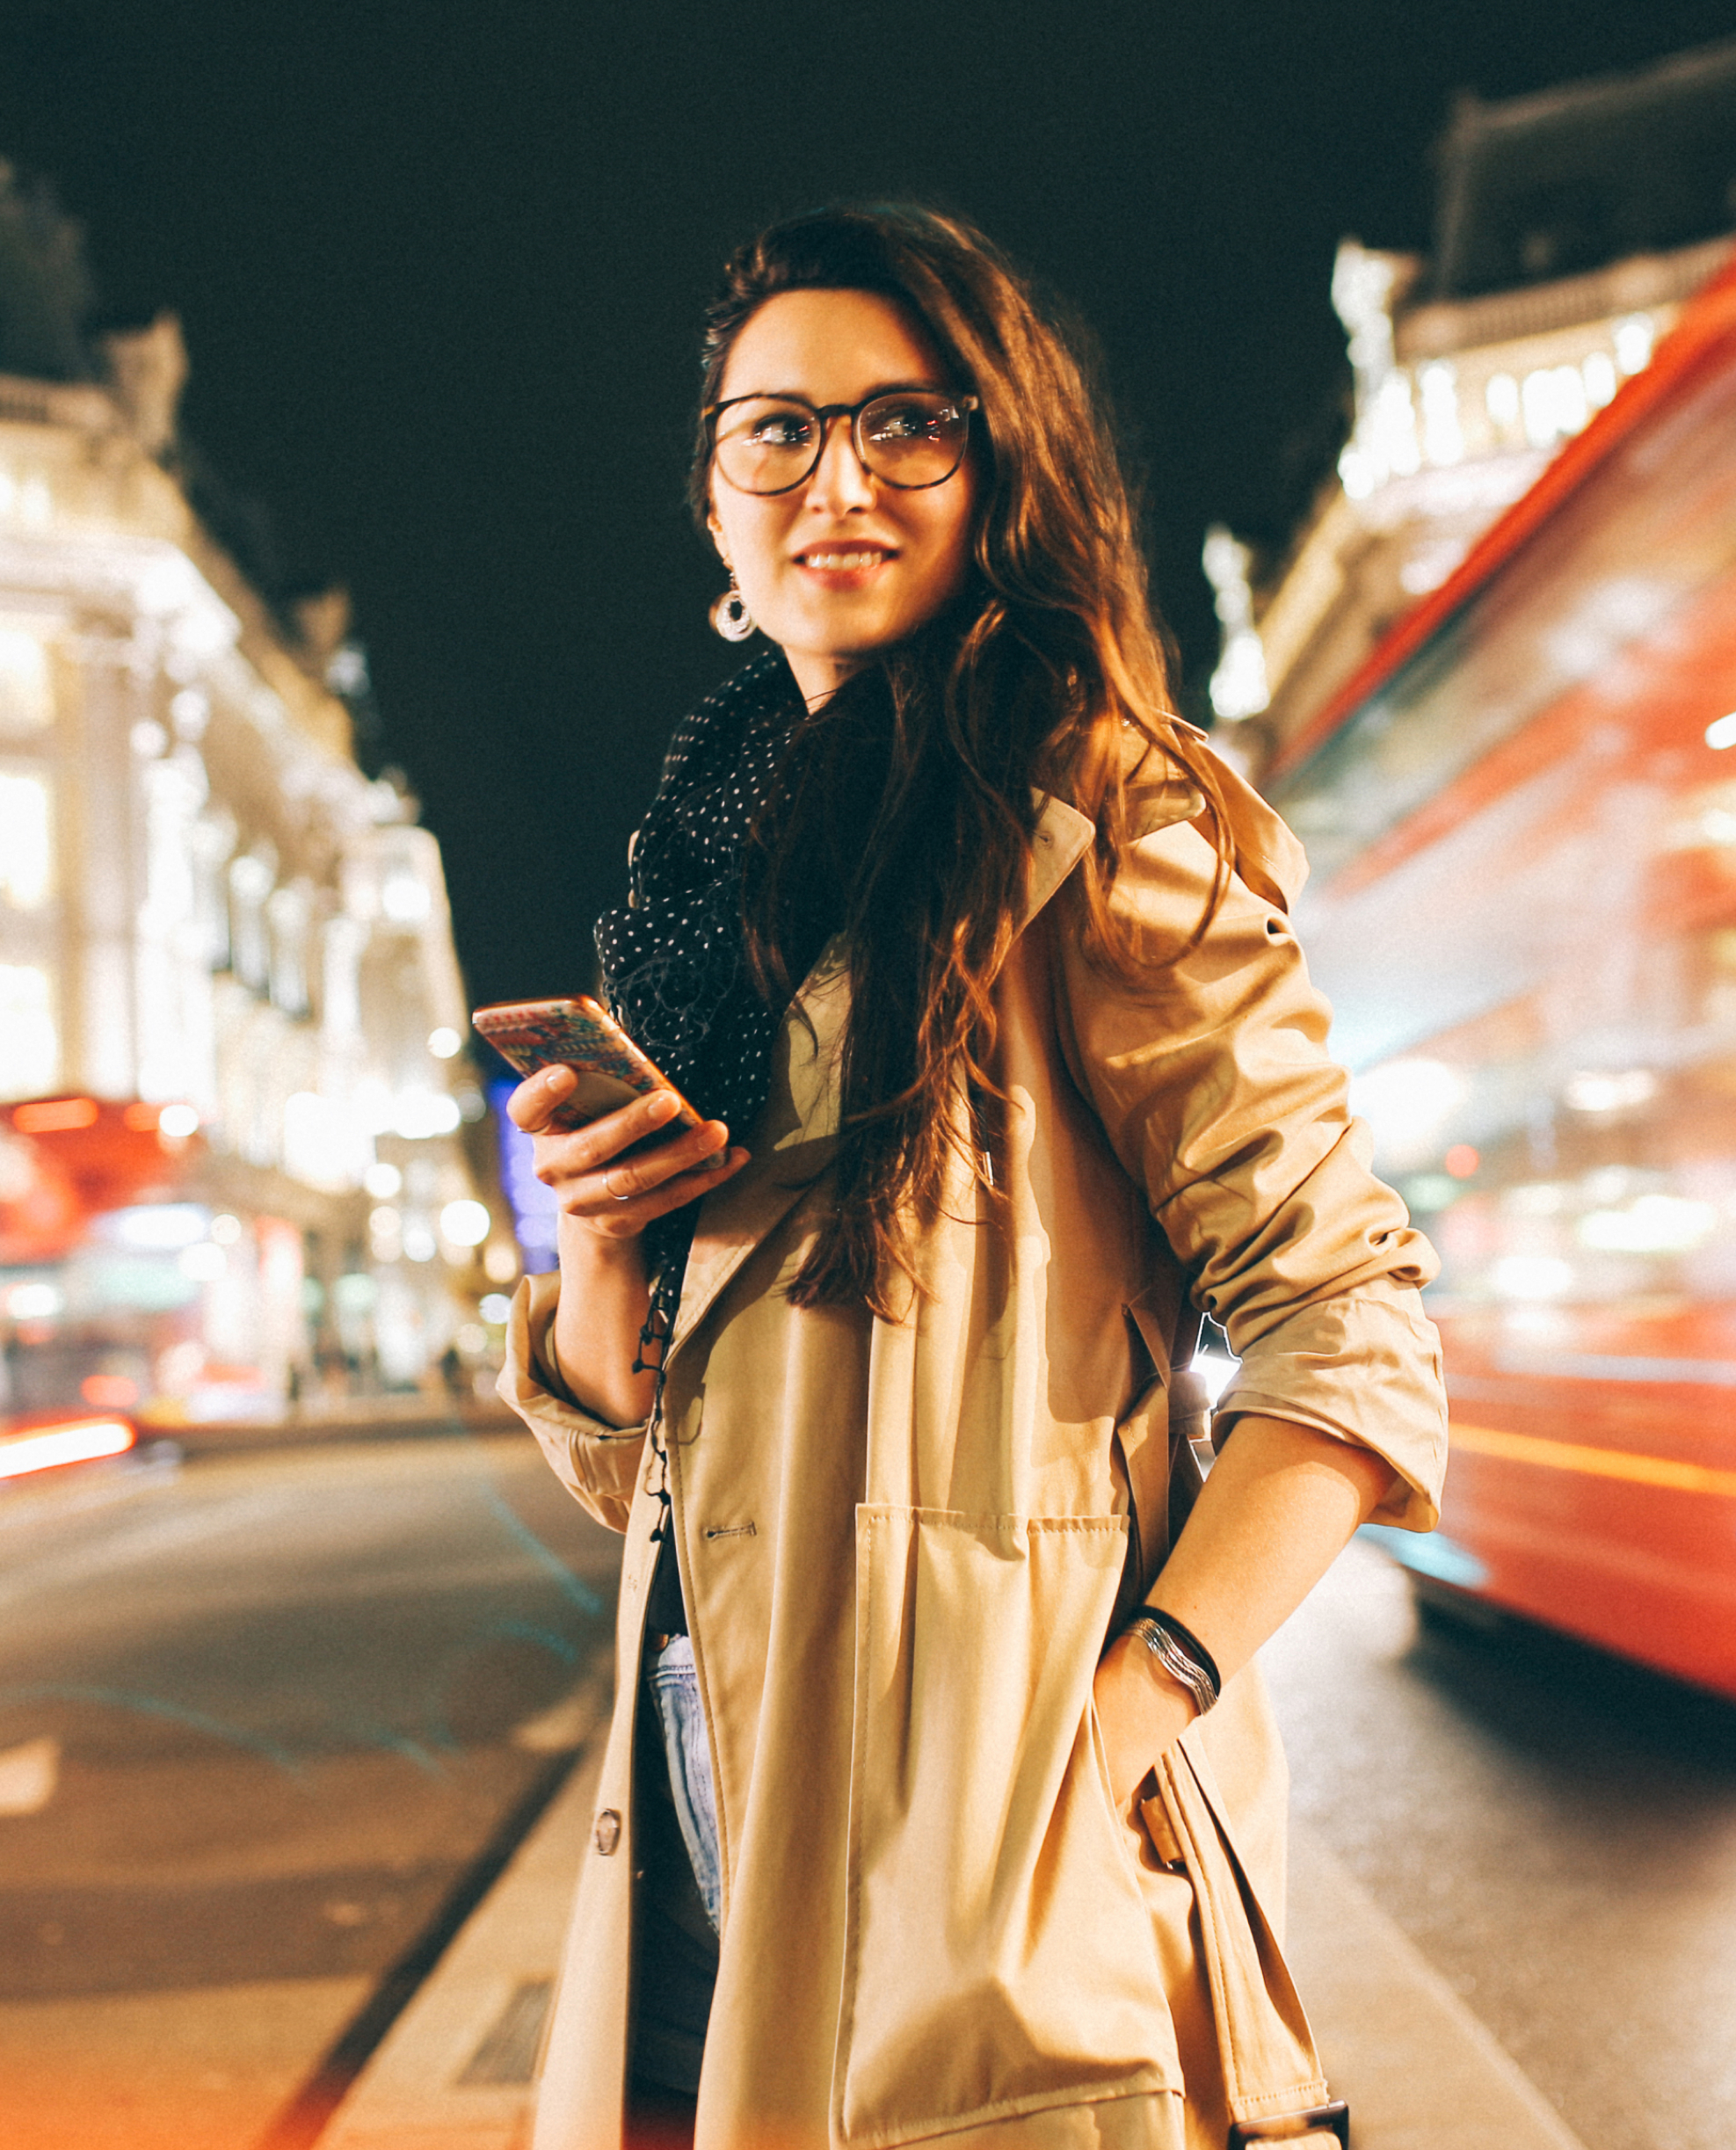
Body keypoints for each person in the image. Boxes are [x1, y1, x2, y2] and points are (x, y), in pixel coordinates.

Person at [497, 206, 1448, 2150]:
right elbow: (645, 1468)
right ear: (709, 502)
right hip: (701, 1789)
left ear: (997, 465)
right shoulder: (698, 888)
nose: (832, 479)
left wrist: (1111, 1724)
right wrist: (600, 1237)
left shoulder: (1094, 812)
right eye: (774, 431)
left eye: (900, 425)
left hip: (987, 1832)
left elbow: (1350, 1331)